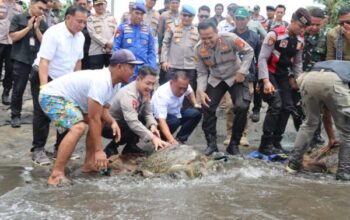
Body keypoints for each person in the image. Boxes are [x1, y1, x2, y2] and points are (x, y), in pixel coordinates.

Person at [40, 49, 140, 186]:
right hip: (51, 95)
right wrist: (99, 151)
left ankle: (89, 163)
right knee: (79, 127)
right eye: (131, 67)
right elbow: (93, 118)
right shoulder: (102, 81)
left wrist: (112, 121)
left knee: (102, 120)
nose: (133, 71)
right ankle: (56, 174)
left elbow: (102, 110)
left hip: (71, 101)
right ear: (119, 67)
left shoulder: (115, 84)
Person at [30, 5, 88, 165]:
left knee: (66, 112)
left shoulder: (80, 37)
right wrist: (44, 88)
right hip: (44, 75)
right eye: (79, 21)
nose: (82, 26)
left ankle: (60, 149)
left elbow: (78, 61)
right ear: (68, 18)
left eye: (84, 22)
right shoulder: (54, 33)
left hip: (65, 81)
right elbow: (44, 61)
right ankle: (38, 150)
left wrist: (76, 84)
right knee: (42, 113)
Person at [195, 20, 254, 156]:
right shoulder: (198, 49)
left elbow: (249, 51)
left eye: (210, 37)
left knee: (242, 106)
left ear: (217, 32)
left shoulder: (230, 38)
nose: (208, 41)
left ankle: (234, 144)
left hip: (235, 76)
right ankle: (211, 144)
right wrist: (201, 91)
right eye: (204, 38)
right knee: (207, 106)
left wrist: (242, 71)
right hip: (216, 79)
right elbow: (202, 72)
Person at [258, 8, 311, 155]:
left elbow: (297, 63)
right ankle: (265, 143)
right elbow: (262, 58)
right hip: (268, 74)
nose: (302, 30)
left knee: (288, 106)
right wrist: (266, 81)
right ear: (292, 21)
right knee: (276, 104)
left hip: (283, 76)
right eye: (300, 27)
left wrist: (297, 80)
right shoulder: (274, 35)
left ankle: (276, 142)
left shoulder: (300, 40)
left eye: (304, 28)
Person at [286, 60, 350, 181]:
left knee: (309, 123)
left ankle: (293, 163)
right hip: (333, 81)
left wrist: (331, 138)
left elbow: (327, 112)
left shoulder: (337, 64)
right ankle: (344, 172)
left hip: (309, 79)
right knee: (347, 132)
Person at [103, 66, 169, 157]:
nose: (150, 87)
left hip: (124, 120)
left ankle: (130, 147)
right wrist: (152, 137)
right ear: (138, 79)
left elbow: (148, 113)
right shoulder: (129, 94)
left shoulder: (145, 91)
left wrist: (152, 125)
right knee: (132, 124)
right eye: (148, 83)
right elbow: (132, 122)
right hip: (107, 124)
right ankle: (111, 148)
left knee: (141, 119)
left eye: (153, 84)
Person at [224, 7, 261, 147]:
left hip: (248, 76)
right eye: (238, 18)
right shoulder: (227, 35)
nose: (240, 21)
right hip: (230, 76)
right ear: (234, 19)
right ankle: (229, 134)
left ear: (248, 19)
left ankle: (243, 135)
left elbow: (258, 59)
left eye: (243, 19)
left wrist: (258, 80)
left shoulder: (254, 37)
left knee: (244, 106)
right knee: (230, 106)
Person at [9, 0, 48, 128]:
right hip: (21, 59)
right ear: (32, 4)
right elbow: (13, 37)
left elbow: (45, 42)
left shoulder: (43, 23)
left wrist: (36, 29)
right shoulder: (18, 18)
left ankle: (38, 115)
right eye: (40, 8)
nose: (41, 11)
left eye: (43, 9)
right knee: (18, 89)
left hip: (36, 61)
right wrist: (28, 27)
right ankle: (15, 115)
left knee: (37, 90)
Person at [151, 70, 201, 145]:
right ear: (171, 82)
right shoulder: (162, 95)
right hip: (157, 119)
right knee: (174, 121)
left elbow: (190, 91)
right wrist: (171, 140)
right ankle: (163, 140)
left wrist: (194, 103)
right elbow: (161, 121)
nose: (182, 91)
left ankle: (180, 139)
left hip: (176, 112)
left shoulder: (184, 84)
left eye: (184, 88)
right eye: (180, 88)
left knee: (195, 114)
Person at [113, 2, 156, 82]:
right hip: (126, 69)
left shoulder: (147, 30)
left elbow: (151, 51)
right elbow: (115, 48)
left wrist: (152, 69)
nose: (139, 16)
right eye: (137, 13)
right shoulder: (122, 28)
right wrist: (119, 66)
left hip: (143, 69)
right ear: (131, 12)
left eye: (142, 14)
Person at [161, 4, 199, 91]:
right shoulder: (172, 27)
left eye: (189, 16)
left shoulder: (197, 30)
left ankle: (188, 105)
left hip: (190, 67)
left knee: (189, 92)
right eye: (184, 15)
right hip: (173, 66)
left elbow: (200, 49)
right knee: (171, 91)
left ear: (193, 17)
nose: (186, 18)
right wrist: (164, 61)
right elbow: (165, 44)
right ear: (181, 14)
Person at [0, 0, 22, 105]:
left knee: (10, 69)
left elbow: (21, 24)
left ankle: (6, 93)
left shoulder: (18, 8)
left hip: (12, 42)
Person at [87, 0, 116, 69]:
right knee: (95, 75)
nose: (100, 6)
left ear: (106, 5)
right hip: (96, 52)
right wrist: (106, 43)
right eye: (97, 5)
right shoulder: (90, 18)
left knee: (111, 74)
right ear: (93, 6)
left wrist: (110, 44)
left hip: (110, 51)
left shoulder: (112, 18)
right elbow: (92, 34)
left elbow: (116, 33)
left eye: (102, 4)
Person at [74, 0, 90, 70]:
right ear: (75, 4)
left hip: (87, 51)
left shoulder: (91, 17)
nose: (82, 6)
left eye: (84, 4)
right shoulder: (70, 14)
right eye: (80, 4)